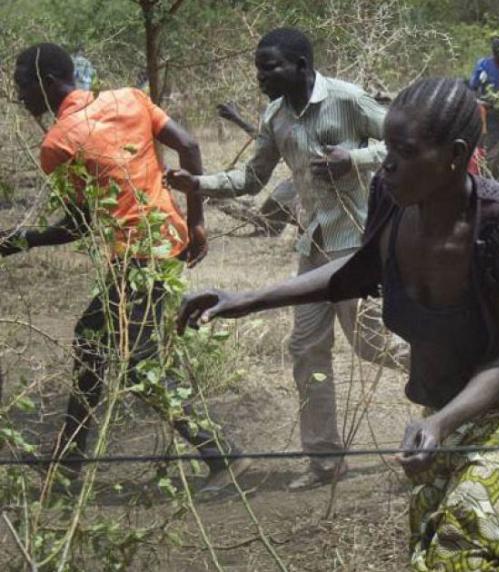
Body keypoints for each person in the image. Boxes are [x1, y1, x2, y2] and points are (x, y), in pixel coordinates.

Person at [177, 77, 499, 570]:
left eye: (404, 152)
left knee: (461, 546)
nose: (386, 164)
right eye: (388, 149)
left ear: (454, 154)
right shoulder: (390, 197)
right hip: (443, 406)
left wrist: (438, 423)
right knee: (427, 547)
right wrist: (247, 298)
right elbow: (358, 270)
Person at [166, 27, 409, 491]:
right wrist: (198, 184)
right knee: (305, 348)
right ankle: (323, 460)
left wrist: (354, 159)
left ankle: (453, 377)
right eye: (259, 67)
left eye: (270, 67)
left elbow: (402, 144)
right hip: (313, 245)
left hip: (356, 242)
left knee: (371, 344)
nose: (261, 76)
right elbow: (252, 178)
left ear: (301, 65)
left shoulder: (347, 99)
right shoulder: (276, 115)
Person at [2, 43, 247, 493]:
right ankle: (70, 458)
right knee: (91, 338)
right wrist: (196, 223)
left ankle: (222, 455)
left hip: (140, 259)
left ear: (49, 84)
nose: (20, 97)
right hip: (165, 243)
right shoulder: (129, 98)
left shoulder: (58, 143)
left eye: (22, 87)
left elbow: (75, 226)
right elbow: (190, 146)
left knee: (137, 368)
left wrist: (17, 243)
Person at [214, 101, 300, 236]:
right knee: (268, 222)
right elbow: (266, 139)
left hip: (311, 186)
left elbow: (264, 138)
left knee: (269, 223)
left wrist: (237, 119)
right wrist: (237, 119)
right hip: (298, 182)